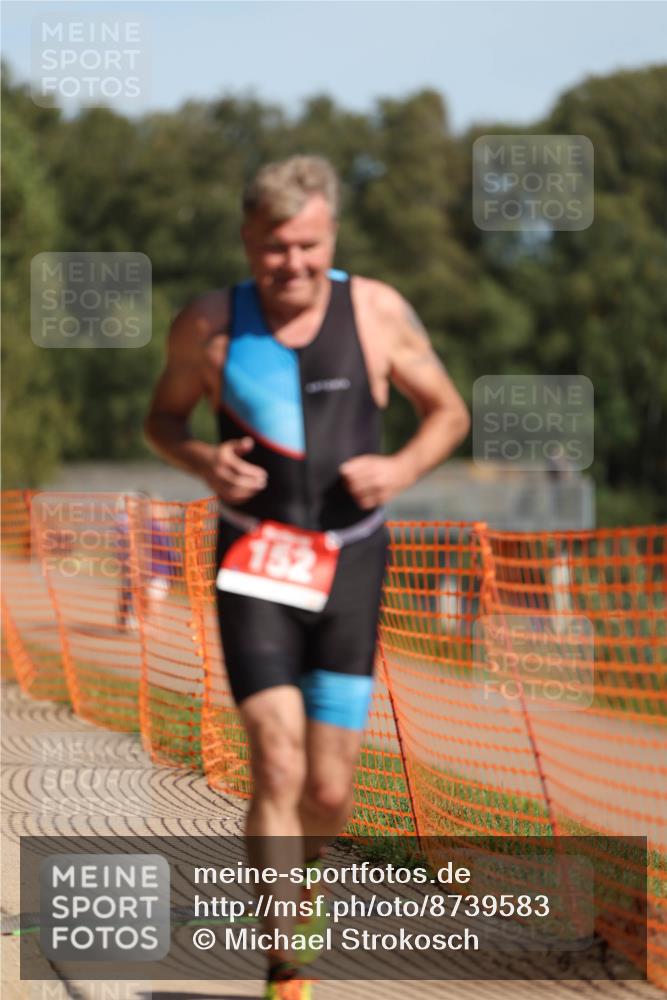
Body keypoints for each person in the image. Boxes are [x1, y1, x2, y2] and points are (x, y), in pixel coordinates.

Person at [144, 155, 470, 998]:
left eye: (307, 247)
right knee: (277, 767)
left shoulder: (376, 310)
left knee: (327, 792)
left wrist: (398, 470)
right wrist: (200, 458)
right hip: (255, 560)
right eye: (271, 247)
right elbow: (162, 418)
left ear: (331, 238)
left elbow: (448, 412)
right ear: (247, 240)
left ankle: (307, 873)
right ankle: (285, 965)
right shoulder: (209, 325)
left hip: (352, 560)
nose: (290, 264)